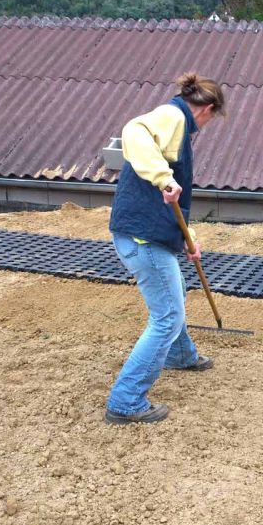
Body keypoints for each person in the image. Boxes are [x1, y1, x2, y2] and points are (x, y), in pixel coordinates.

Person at [105, 72, 226, 425]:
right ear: (208, 109)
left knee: (174, 297)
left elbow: (169, 201)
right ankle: (126, 401)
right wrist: (163, 176)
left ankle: (182, 354)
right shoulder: (174, 116)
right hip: (142, 239)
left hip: (146, 233)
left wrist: (185, 239)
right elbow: (133, 131)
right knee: (168, 315)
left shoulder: (178, 124)